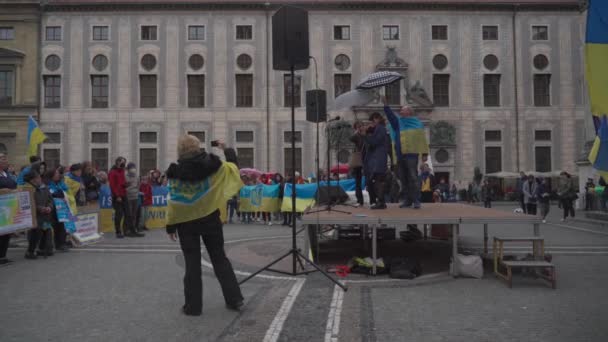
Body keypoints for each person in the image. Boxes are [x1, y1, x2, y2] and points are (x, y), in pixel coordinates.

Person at [165, 135, 244, 316]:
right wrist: (226, 149)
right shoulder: (214, 167)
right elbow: (233, 168)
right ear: (198, 147)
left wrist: (170, 226)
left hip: (186, 225)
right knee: (219, 258)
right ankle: (235, 299)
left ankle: (193, 307)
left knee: (192, 264)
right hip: (210, 219)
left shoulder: (176, 174)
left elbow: (174, 203)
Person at [381, 96, 428, 209]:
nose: (401, 111)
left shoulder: (417, 124)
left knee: (413, 176)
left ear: (409, 112)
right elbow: (391, 116)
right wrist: (386, 105)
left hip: (411, 154)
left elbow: (421, 139)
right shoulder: (398, 123)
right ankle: (407, 199)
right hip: (400, 154)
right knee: (403, 178)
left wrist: (424, 153)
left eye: (403, 109)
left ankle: (416, 199)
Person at [109, 157, 143, 238]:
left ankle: (132, 231)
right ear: (117, 162)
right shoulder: (112, 172)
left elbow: (121, 183)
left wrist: (125, 184)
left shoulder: (122, 171)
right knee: (119, 214)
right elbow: (113, 185)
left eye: (124, 162)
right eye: (122, 162)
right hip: (117, 196)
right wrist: (117, 196)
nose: (123, 163)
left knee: (129, 214)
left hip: (124, 195)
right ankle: (118, 232)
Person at [23, 171, 54, 260]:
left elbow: (50, 199)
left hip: (46, 215)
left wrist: (49, 207)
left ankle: (43, 248)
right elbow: (29, 203)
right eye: (38, 178)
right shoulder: (27, 188)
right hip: (35, 215)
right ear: (33, 180)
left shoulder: (44, 187)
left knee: (46, 231)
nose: (40, 179)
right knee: (36, 233)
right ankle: (30, 251)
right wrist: (40, 208)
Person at [363, 112, 389, 209]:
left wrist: (366, 135)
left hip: (378, 159)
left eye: (372, 121)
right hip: (377, 159)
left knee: (378, 180)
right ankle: (380, 201)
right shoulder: (379, 129)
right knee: (376, 180)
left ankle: (381, 202)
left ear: (377, 119)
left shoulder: (380, 128)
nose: (371, 124)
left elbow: (374, 142)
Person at [45, 166, 70, 252]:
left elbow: (65, 190)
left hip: (61, 208)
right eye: (56, 173)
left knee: (61, 226)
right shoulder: (48, 184)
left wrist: (60, 192)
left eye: (58, 173)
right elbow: (53, 193)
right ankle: (55, 244)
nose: (58, 174)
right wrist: (59, 193)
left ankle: (62, 244)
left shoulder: (60, 182)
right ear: (51, 176)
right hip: (53, 208)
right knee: (55, 226)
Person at [0, 152, 18, 265]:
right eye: (2, 159)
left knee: (7, 232)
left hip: (8, 205)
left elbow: (14, 185)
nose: (5, 161)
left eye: (5, 159)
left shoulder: (6, 174)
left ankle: (3, 255)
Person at [349, 121, 366, 206]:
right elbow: (351, 138)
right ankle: (360, 200)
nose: (360, 128)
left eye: (361, 126)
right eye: (358, 127)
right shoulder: (356, 136)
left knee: (370, 180)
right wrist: (356, 133)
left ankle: (374, 199)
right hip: (359, 160)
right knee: (358, 181)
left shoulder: (367, 135)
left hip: (367, 159)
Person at [125, 162, 140, 234]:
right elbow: (124, 186)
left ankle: (133, 229)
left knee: (134, 214)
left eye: (134, 168)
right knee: (128, 214)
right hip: (128, 197)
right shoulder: (125, 176)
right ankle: (126, 229)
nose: (133, 169)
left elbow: (138, 185)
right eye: (131, 168)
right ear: (128, 169)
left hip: (135, 197)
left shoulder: (137, 176)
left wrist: (137, 191)